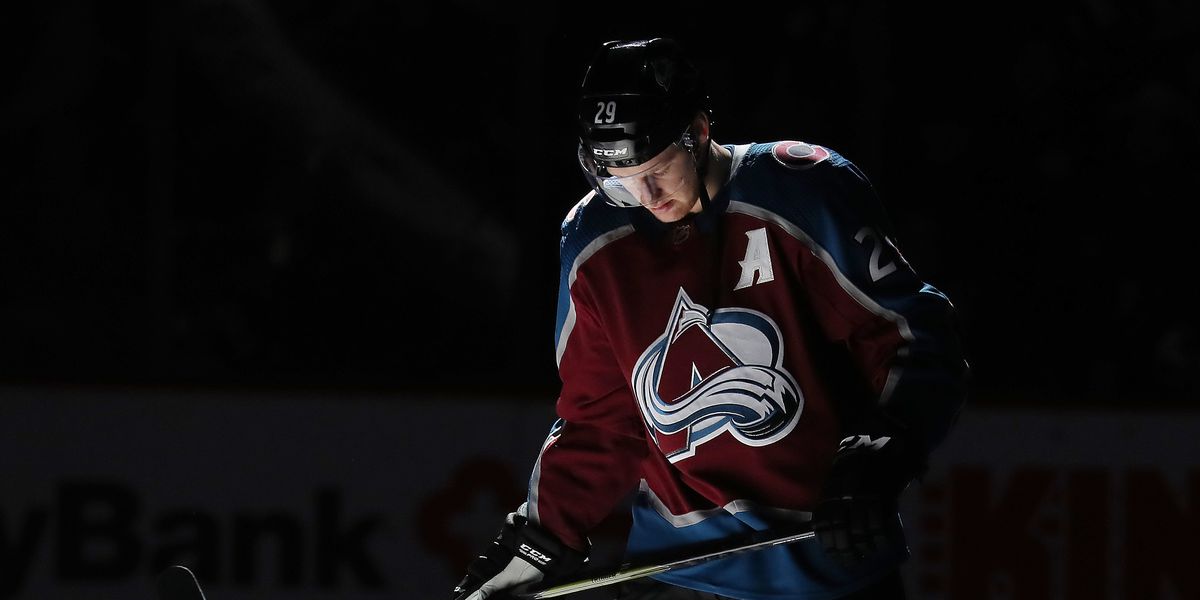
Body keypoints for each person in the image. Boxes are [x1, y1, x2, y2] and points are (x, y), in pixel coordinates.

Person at [451, 37, 970, 600]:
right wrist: (540, 536)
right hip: (676, 572)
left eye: (656, 170)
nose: (643, 195)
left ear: (698, 132)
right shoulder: (593, 239)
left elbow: (914, 336)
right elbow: (601, 417)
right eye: (620, 178)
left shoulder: (801, 190)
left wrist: (885, 447)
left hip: (832, 564)